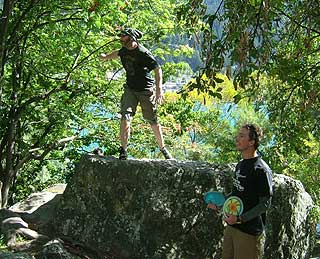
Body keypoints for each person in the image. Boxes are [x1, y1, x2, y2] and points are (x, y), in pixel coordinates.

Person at [99, 28, 172, 160]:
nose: (121, 41)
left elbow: (157, 69)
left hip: (146, 90)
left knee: (152, 121)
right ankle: (124, 150)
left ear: (132, 38)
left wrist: (159, 89)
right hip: (130, 89)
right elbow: (118, 53)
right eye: (121, 38)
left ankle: (163, 149)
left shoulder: (143, 53)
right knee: (125, 116)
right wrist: (106, 57)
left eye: (124, 38)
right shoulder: (124, 50)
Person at [208, 123, 273, 259]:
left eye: (242, 136)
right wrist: (220, 204)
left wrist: (240, 219)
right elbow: (237, 194)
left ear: (251, 142)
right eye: (238, 135)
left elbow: (265, 204)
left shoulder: (261, 170)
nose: (237, 138)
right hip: (232, 227)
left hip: (249, 232)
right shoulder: (240, 164)